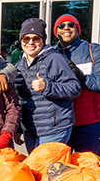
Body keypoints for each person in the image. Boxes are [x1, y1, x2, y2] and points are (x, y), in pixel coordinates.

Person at [13, 18, 81, 152]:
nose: (30, 42)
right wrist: (20, 128)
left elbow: (74, 87)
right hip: (31, 130)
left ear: (43, 40)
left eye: (36, 38)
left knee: (45, 170)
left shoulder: (54, 59)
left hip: (53, 129)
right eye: (26, 38)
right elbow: (22, 100)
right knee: (35, 171)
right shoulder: (20, 65)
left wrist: (47, 87)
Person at [54, 14, 100, 154]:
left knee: (90, 169)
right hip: (60, 124)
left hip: (89, 124)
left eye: (71, 25)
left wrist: (82, 78)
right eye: (61, 26)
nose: (66, 28)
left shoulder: (93, 50)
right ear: (56, 31)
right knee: (62, 171)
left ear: (77, 29)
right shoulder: (51, 53)